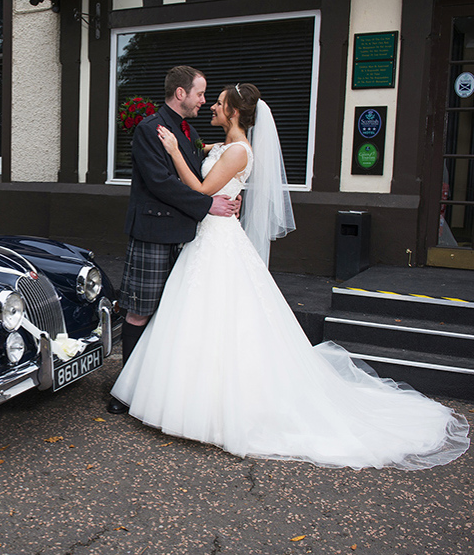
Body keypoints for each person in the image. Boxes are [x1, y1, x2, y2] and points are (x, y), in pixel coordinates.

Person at [111, 83, 469, 469]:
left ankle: (212, 407)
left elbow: (199, 187)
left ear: (233, 112)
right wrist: (198, 163)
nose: (211, 105)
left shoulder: (237, 151)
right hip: (205, 237)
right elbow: (207, 183)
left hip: (218, 240)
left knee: (220, 317)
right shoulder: (218, 147)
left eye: (217, 103)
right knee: (199, 318)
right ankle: (179, 397)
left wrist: (175, 152)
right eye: (208, 99)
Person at [109, 66, 239, 415]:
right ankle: (125, 391)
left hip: (185, 235)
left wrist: (225, 194)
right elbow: (160, 182)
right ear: (180, 93)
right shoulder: (149, 129)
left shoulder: (190, 131)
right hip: (153, 233)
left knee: (171, 315)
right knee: (139, 313)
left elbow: (199, 176)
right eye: (200, 93)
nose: (204, 100)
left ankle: (156, 390)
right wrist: (208, 205)